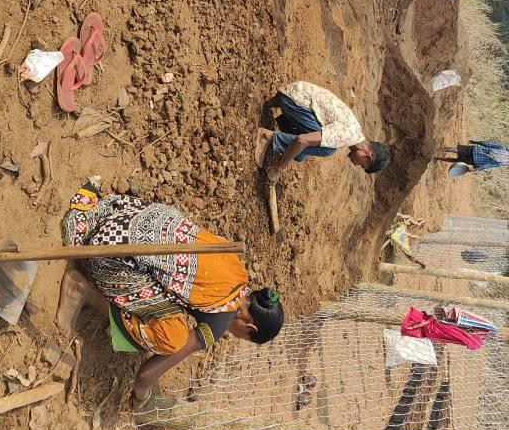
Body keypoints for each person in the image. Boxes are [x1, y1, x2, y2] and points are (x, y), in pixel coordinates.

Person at [56, 178, 284, 409]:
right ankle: (81, 290)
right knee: (170, 338)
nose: (234, 335)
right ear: (249, 327)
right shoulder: (219, 322)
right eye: (242, 337)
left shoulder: (236, 268)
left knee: (166, 292)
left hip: (124, 219)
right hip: (108, 256)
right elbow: (146, 375)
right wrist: (141, 397)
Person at [255, 82, 391, 184]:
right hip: (293, 101)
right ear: (368, 156)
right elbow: (302, 140)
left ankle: (281, 117)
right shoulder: (346, 136)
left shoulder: (355, 130)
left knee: (299, 155)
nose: (356, 164)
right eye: (362, 164)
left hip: (291, 94)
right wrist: (278, 169)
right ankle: (267, 138)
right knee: (327, 149)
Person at [434, 141, 509, 170]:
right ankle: (438, 158)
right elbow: (488, 165)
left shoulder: (503, 148)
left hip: (475, 150)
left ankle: (437, 149)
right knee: (456, 161)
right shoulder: (503, 163)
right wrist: (476, 169)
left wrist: (476, 142)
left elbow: (489, 144)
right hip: (475, 161)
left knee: (457, 150)